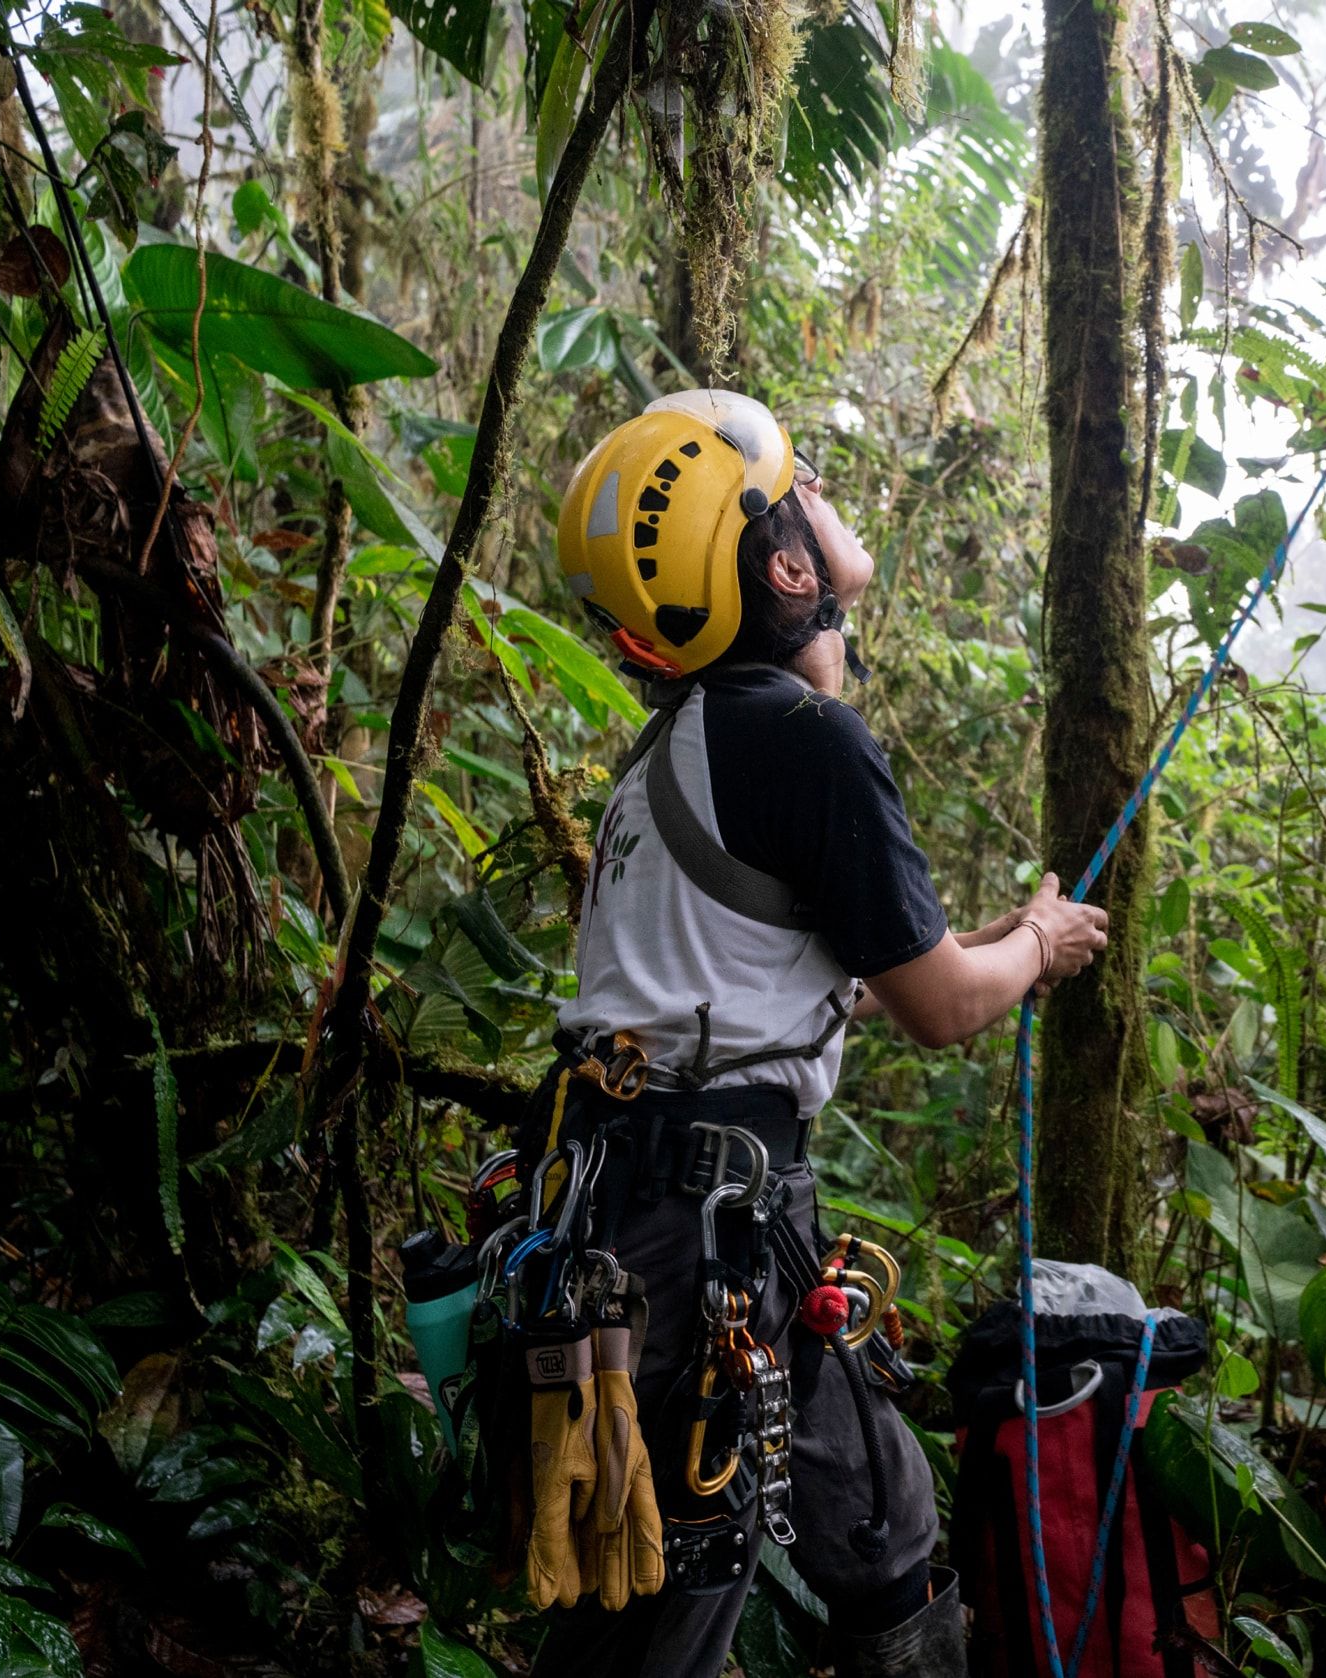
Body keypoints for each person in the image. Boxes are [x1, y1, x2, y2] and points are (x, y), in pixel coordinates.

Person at [518, 390, 1107, 1678]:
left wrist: (1004, 939)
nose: (825, 501)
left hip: (651, 1207)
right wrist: (1045, 947)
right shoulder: (802, 741)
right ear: (788, 566)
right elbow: (943, 1005)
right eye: (804, 488)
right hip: (704, 1222)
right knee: (671, 1585)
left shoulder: (684, 743)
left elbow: (870, 956)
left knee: (876, 1521)